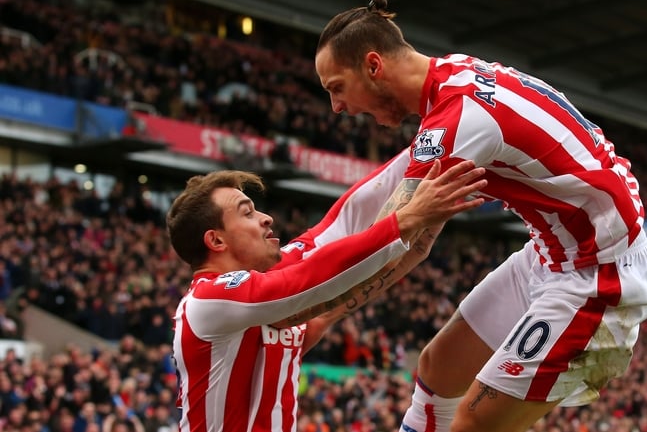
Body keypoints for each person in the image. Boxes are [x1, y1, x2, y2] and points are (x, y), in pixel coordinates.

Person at [314, 0, 647, 432]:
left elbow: (397, 241)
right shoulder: (454, 74)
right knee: (439, 370)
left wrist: (319, 315)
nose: (337, 108)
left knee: (473, 422)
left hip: (598, 275)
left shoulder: (454, 123)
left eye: (336, 88)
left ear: (373, 65)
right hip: (550, 253)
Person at [167, 163, 487, 432]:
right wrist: (407, 221)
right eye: (247, 213)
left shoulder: (264, 294)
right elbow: (311, 276)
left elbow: (337, 227)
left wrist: (433, 144)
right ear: (216, 240)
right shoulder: (207, 300)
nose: (266, 218)